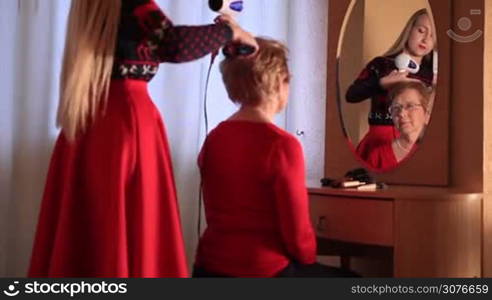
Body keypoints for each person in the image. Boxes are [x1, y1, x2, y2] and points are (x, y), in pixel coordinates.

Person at [28, 0, 257, 278]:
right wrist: (230, 32)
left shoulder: (98, 7)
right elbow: (173, 44)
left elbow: (161, 40)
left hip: (88, 124)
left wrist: (219, 32)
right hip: (127, 125)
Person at [193, 37, 356, 277]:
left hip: (208, 267)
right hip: (261, 270)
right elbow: (298, 234)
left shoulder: (214, 138)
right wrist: (308, 260)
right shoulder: (282, 145)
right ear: (280, 83)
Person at [345, 8, 436, 162]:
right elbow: (351, 95)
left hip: (416, 144)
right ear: (410, 30)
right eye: (421, 31)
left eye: (433, 36)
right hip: (378, 141)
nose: (426, 39)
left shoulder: (432, 75)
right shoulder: (381, 65)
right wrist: (381, 83)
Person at [366, 81, 432, 172]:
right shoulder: (377, 156)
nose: (401, 114)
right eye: (396, 108)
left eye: (410, 106)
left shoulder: (437, 152)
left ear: (427, 114)